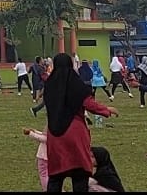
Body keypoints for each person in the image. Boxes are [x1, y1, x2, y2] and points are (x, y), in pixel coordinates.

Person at [43, 53, 118, 192]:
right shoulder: (75, 84)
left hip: (54, 134)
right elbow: (88, 103)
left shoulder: (49, 86)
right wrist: (106, 110)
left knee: (55, 177)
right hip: (74, 133)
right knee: (79, 176)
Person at [22, 127, 49, 191]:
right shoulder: (57, 130)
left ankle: (46, 189)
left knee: (43, 174)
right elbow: (44, 134)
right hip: (50, 156)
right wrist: (35, 131)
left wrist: (30, 133)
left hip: (43, 156)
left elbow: (43, 138)